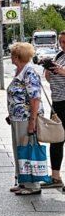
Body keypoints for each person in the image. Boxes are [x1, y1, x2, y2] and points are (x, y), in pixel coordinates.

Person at [7, 42, 44, 196]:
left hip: (26, 117)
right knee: (19, 149)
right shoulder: (19, 71)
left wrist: (32, 122)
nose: (10, 56)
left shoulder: (29, 72)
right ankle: (22, 180)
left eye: (12, 54)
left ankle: (33, 184)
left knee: (28, 149)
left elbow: (35, 98)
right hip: (17, 117)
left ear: (18, 56)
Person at [43, 30, 65, 189]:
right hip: (57, 102)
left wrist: (63, 72)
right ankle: (55, 177)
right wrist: (49, 70)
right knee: (56, 139)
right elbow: (49, 79)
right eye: (61, 42)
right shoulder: (59, 56)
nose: (63, 45)